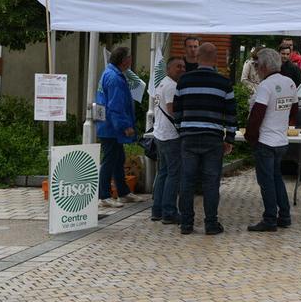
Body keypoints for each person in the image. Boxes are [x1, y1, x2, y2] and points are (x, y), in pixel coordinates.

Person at [174, 43, 237, 235]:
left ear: (197, 57)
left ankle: (186, 224)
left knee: (187, 181)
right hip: (213, 139)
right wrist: (230, 139)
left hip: (189, 137)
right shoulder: (224, 83)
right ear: (216, 58)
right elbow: (232, 114)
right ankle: (211, 224)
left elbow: (177, 111)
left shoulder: (184, 80)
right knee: (211, 182)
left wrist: (181, 130)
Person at [244, 48, 299, 232]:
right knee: (276, 178)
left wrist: (250, 137)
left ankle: (269, 219)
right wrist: (282, 123)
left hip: (266, 141)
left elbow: (256, 115)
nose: (257, 69)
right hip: (281, 140)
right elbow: (294, 109)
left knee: (266, 181)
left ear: (265, 66)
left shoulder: (265, 86)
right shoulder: (290, 83)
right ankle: (284, 215)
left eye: (258, 65)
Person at [96, 47, 142, 208]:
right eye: (129, 57)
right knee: (109, 160)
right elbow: (115, 106)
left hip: (108, 125)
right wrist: (125, 126)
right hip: (111, 127)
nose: (131, 60)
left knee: (118, 159)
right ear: (124, 60)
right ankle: (104, 196)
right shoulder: (114, 78)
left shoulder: (110, 73)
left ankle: (123, 192)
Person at [150, 57, 185, 224]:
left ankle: (157, 210)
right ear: (169, 69)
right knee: (173, 174)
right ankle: (169, 211)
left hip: (160, 134)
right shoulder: (171, 85)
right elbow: (172, 110)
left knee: (162, 173)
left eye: (183, 66)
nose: (182, 69)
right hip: (171, 135)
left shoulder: (161, 84)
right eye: (178, 66)